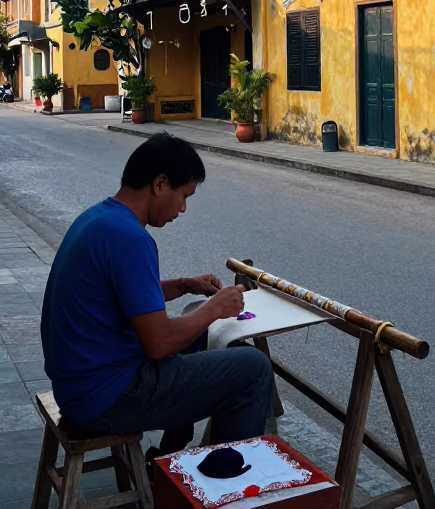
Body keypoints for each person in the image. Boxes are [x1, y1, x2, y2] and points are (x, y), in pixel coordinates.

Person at [40, 132, 274, 454]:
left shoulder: (100, 218)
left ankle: (167, 459)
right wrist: (215, 308)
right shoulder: (131, 238)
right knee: (253, 368)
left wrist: (181, 285)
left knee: (195, 337)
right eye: (184, 195)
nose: (183, 208)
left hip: (77, 386)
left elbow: (119, 296)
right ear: (160, 183)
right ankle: (222, 487)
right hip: (104, 398)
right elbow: (159, 343)